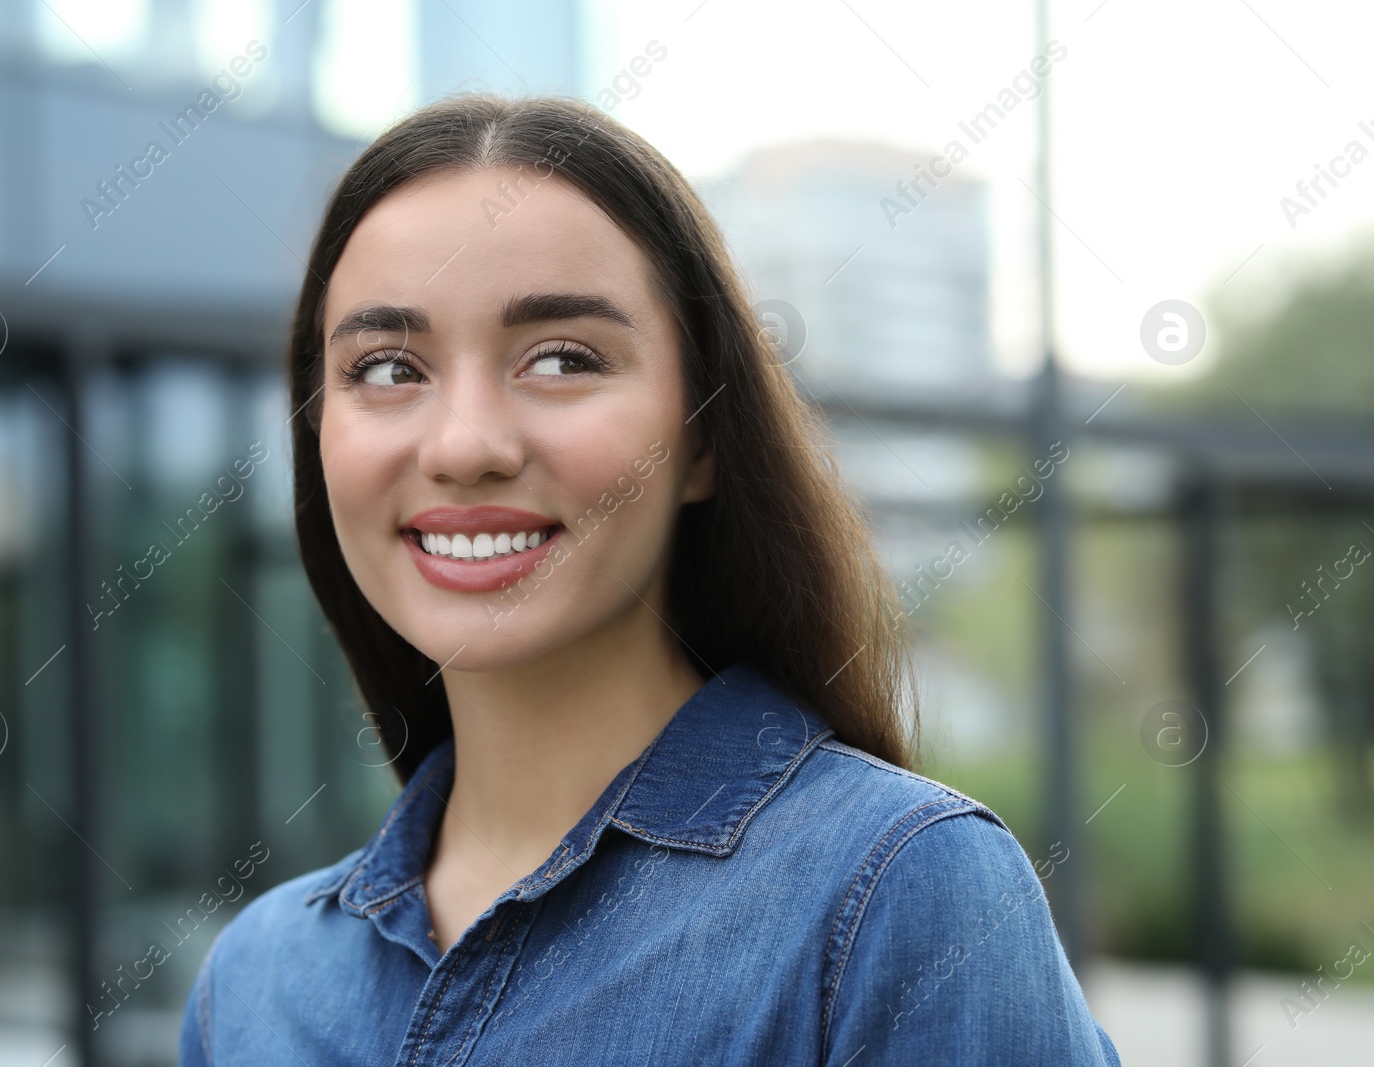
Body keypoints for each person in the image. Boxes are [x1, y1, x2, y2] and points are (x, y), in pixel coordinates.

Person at [178, 93, 1120, 1065]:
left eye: (560, 357)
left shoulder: (898, 895)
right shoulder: (255, 983)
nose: (463, 445)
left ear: (702, 431)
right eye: (385, 368)